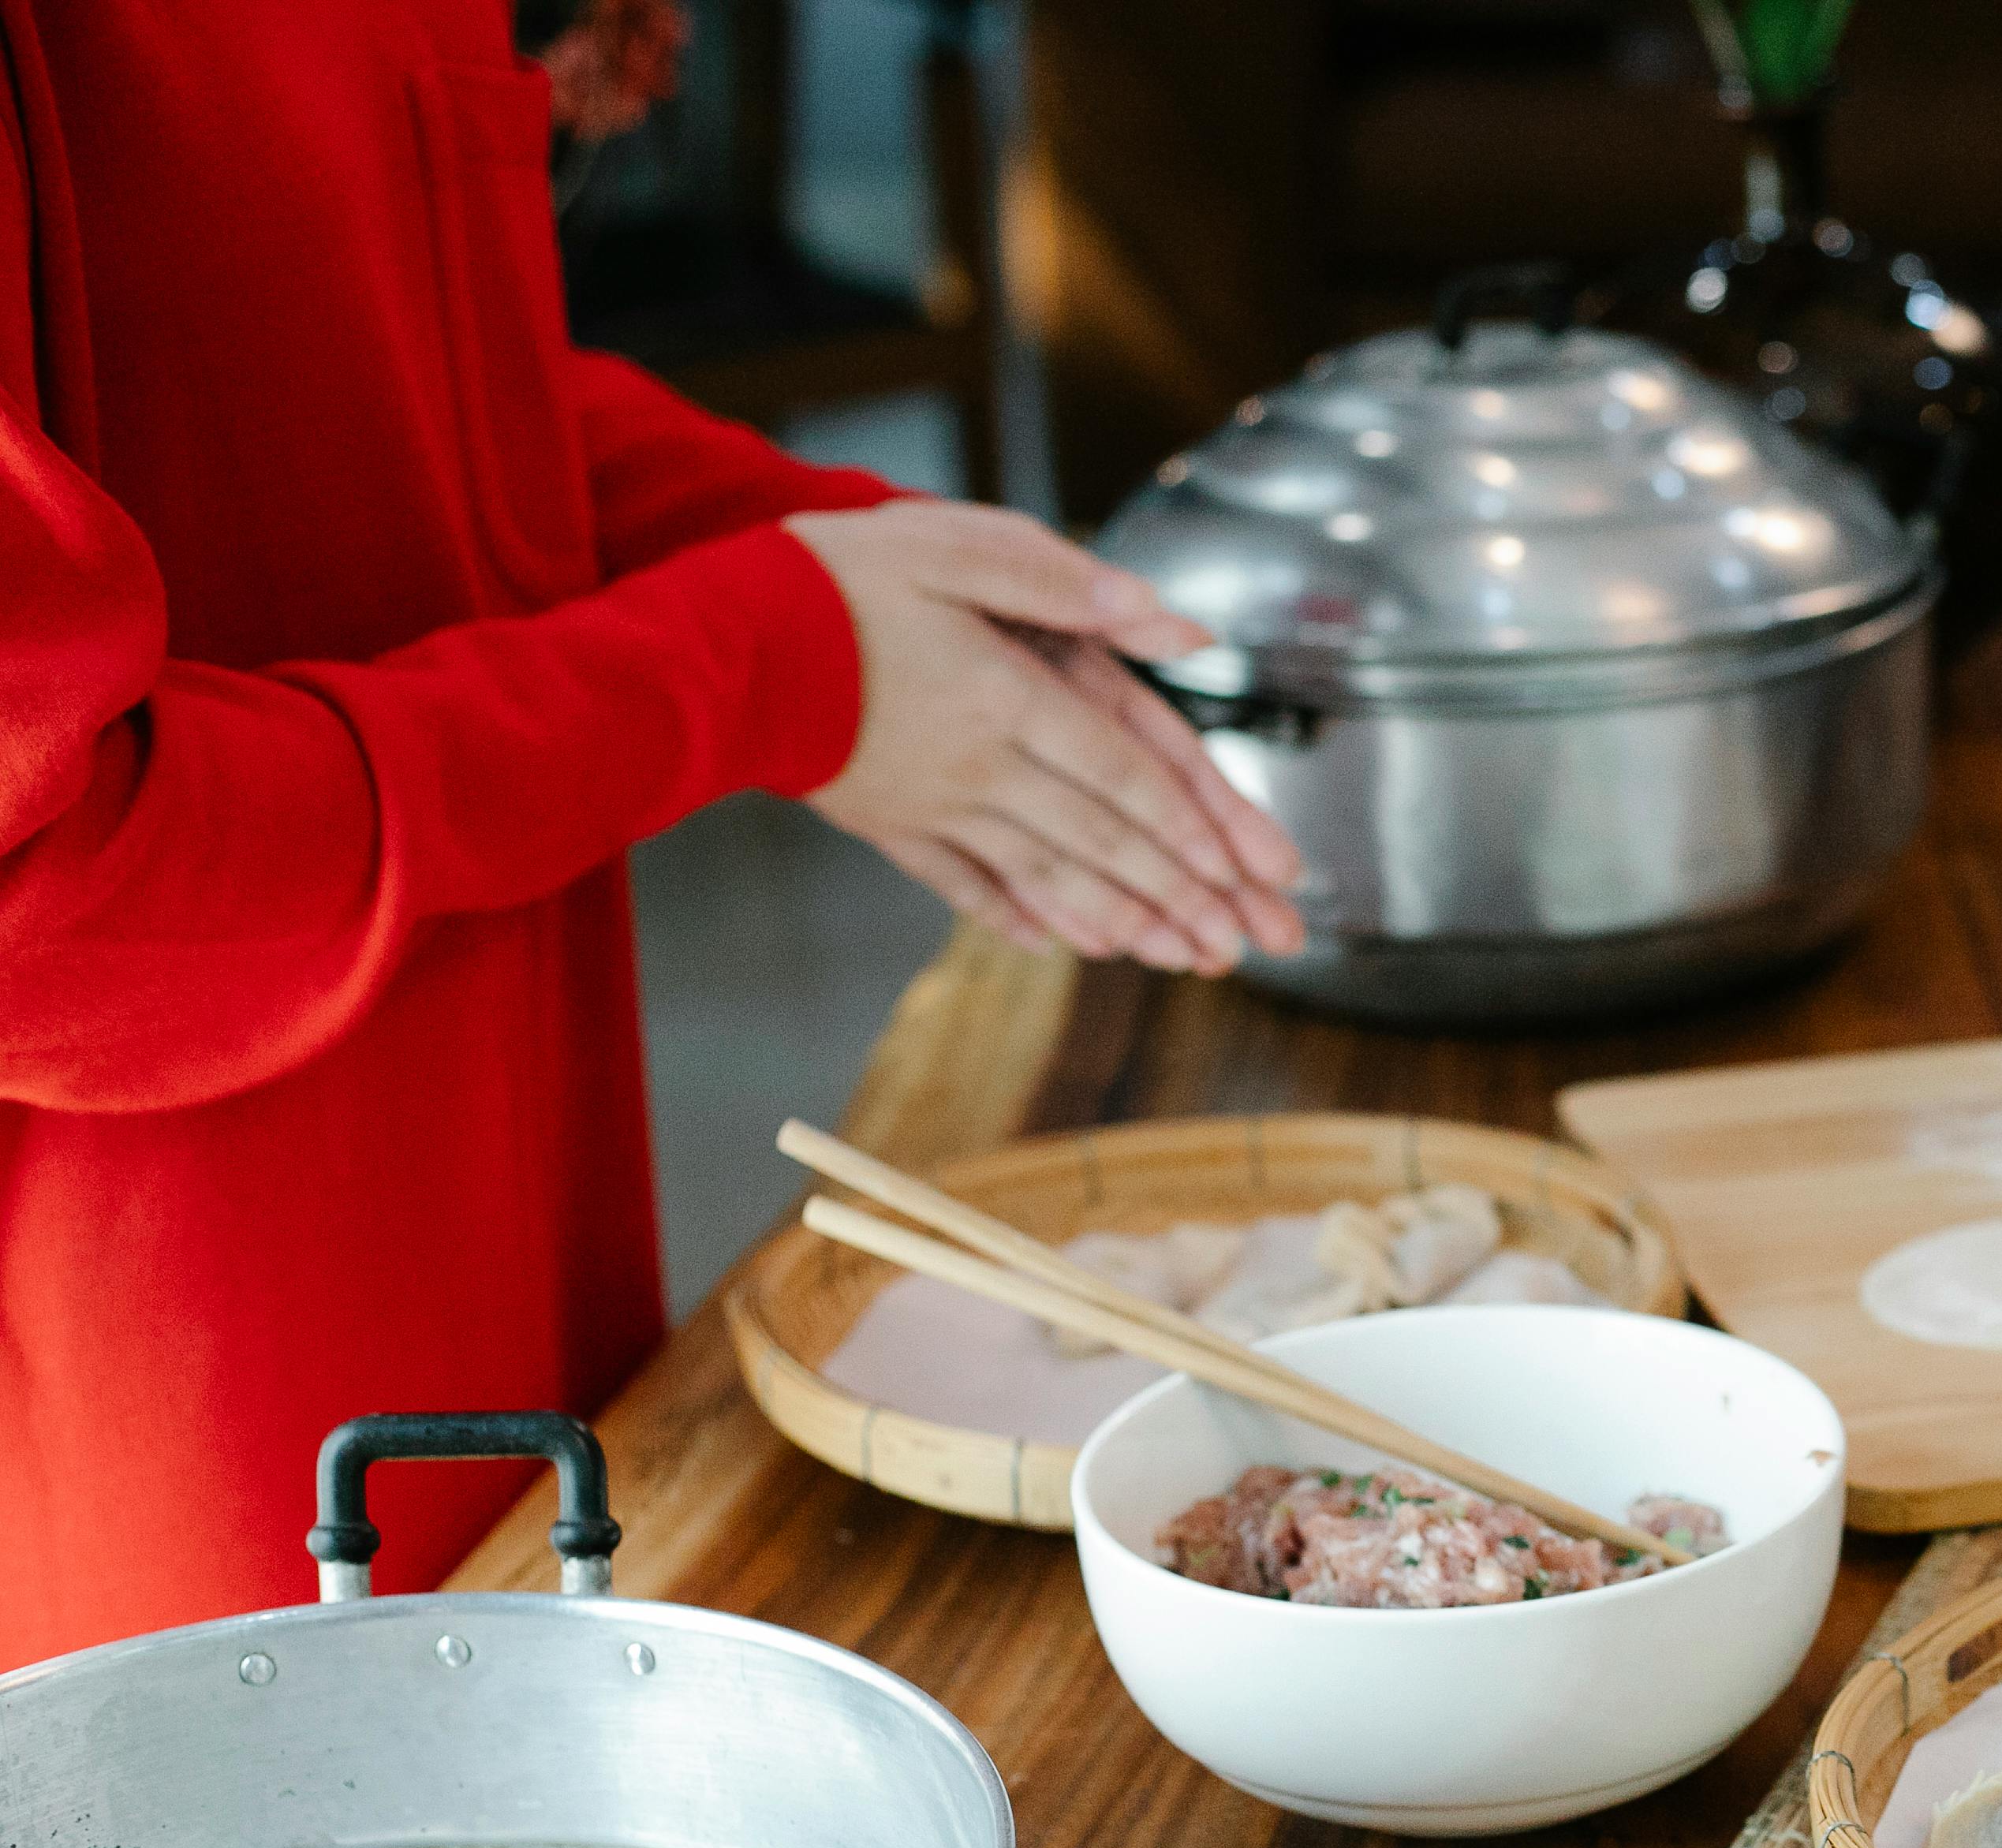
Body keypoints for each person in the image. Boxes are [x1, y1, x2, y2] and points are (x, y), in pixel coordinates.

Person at [0, 2, 1305, 1663]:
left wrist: (860, 573)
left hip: (486, 1229)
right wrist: (758, 658)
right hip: (165, 1404)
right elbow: (40, 889)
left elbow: (328, 365)